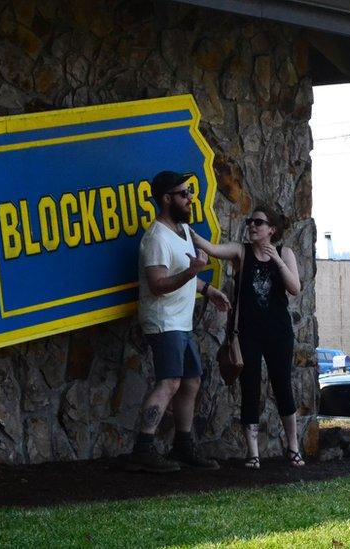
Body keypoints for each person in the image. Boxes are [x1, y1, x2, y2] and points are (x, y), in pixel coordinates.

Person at [126, 170, 230, 473]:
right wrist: (193, 271)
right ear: (166, 199)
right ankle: (143, 449)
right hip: (163, 321)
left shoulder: (183, 231)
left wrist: (208, 289)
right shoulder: (156, 238)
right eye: (184, 194)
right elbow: (158, 284)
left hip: (181, 323)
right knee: (170, 381)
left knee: (191, 380)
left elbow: (184, 276)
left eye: (190, 192)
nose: (190, 198)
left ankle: (183, 446)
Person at [192, 205, 304, 469]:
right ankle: (253, 454)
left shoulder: (284, 253)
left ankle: (293, 447)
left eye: (258, 222)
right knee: (249, 389)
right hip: (248, 335)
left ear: (271, 230)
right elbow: (212, 248)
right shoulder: (241, 252)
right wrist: (190, 234)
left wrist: (276, 260)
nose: (252, 226)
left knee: (282, 387)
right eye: (250, 221)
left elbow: (295, 288)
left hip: (279, 334)